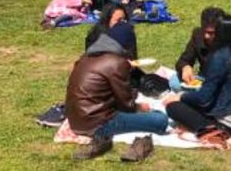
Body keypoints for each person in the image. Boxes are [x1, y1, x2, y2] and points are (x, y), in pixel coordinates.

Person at [65, 23, 167, 161]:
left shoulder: (86, 58)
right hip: (98, 124)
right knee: (160, 119)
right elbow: (127, 105)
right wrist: (140, 107)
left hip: (76, 120)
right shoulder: (116, 62)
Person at [162, 14, 231, 148]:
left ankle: (208, 128)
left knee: (173, 107)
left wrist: (181, 97)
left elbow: (204, 99)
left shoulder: (220, 57)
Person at [176, 7, 225, 82]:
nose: (206, 36)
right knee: (174, 81)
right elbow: (183, 60)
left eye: (211, 33)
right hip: (203, 78)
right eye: (204, 31)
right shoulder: (198, 35)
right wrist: (185, 67)